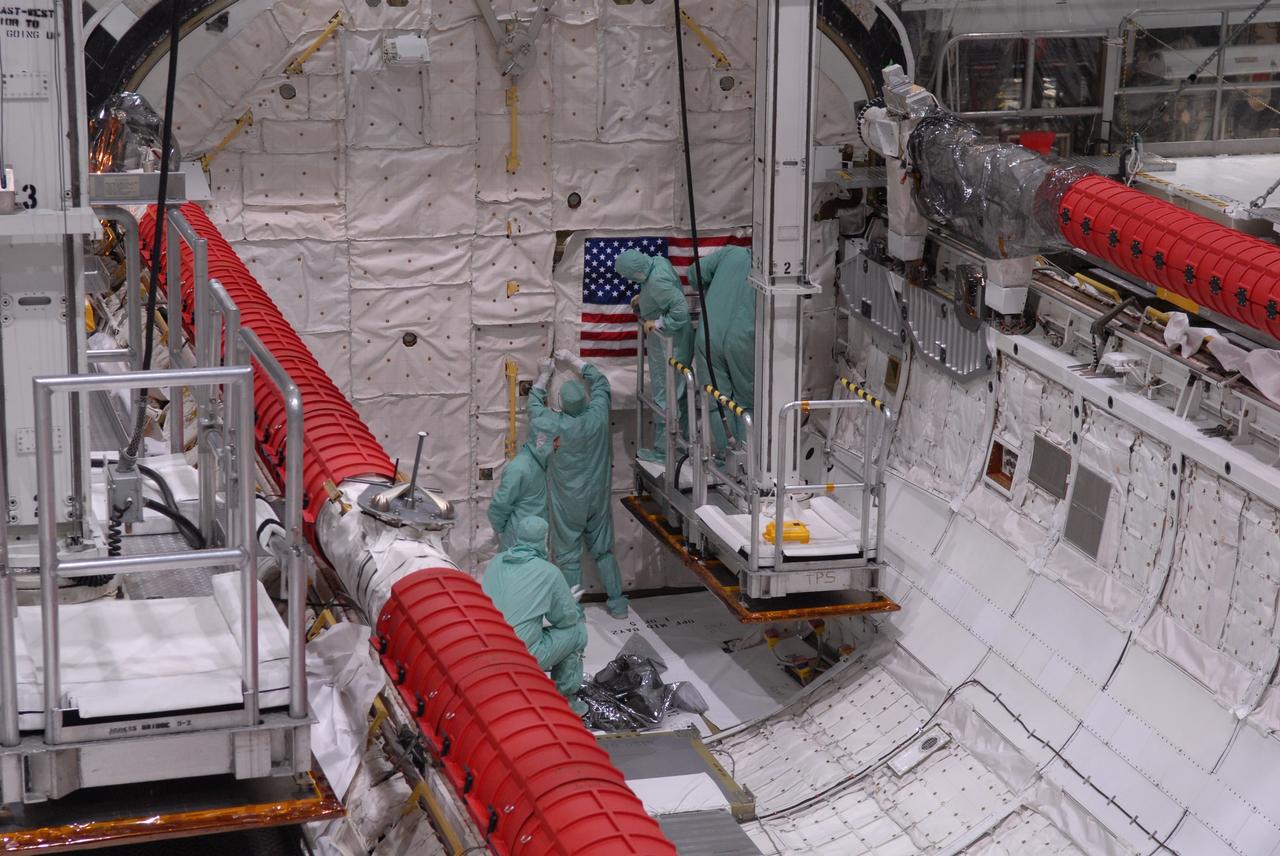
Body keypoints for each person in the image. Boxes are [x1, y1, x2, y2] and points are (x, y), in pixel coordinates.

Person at [530, 349, 629, 618]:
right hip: (596, 497)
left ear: (560, 405)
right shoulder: (597, 415)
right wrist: (575, 360)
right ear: (585, 401)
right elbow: (602, 383)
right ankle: (618, 604)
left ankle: (574, 610)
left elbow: (534, 410)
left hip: (567, 502)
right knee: (604, 551)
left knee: (569, 557)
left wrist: (543, 377)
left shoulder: (555, 424)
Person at [481, 516, 588, 715]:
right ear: (545, 539)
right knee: (578, 631)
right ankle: (565, 700)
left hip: (484, 651)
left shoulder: (495, 562)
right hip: (521, 656)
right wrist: (570, 603)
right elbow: (565, 620)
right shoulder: (549, 572)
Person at [614, 249, 693, 462]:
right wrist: (643, 299)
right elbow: (663, 295)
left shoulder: (657, 282)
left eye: (628, 275)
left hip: (668, 344)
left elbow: (680, 312)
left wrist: (657, 323)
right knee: (676, 395)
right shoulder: (657, 263)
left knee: (665, 397)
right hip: (673, 343)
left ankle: (665, 451)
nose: (628, 279)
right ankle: (678, 447)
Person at [690, 245, 755, 455]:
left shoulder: (731, 253)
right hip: (743, 341)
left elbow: (694, 273)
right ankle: (747, 468)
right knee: (747, 404)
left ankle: (728, 459)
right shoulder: (772, 271)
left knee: (718, 402)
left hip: (708, 336)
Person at [487, 431, 555, 549]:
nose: (558, 446)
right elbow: (499, 505)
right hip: (518, 542)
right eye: (555, 442)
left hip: (535, 540)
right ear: (543, 442)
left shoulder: (541, 465)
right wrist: (503, 530)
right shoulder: (519, 467)